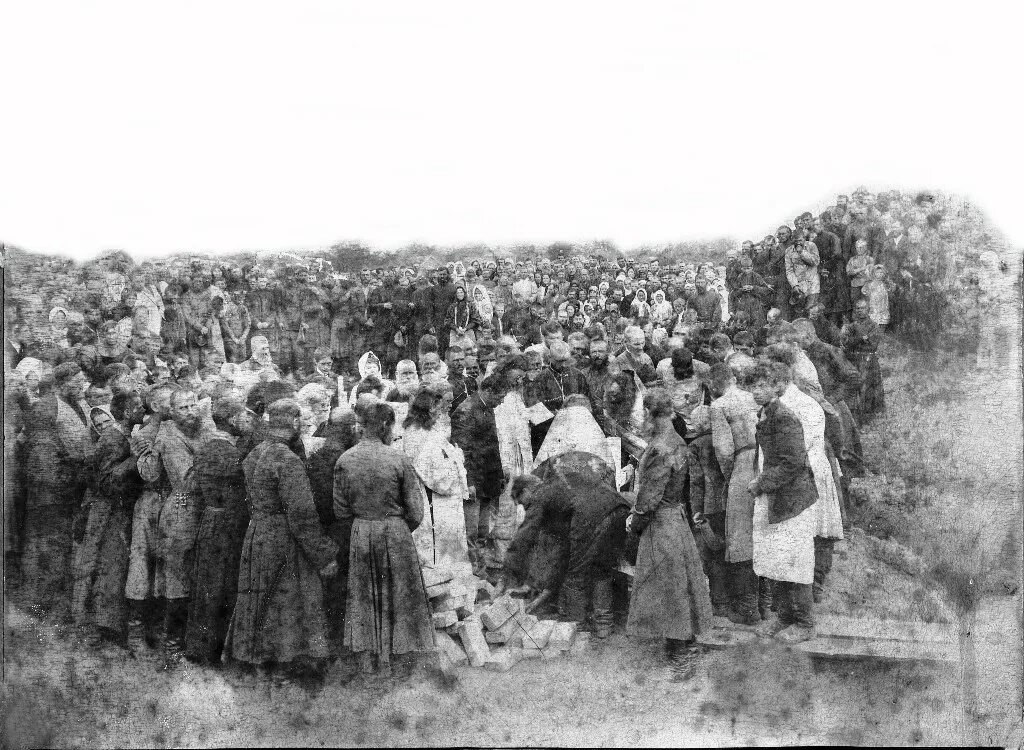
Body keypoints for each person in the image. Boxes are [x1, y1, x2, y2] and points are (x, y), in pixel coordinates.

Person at [224, 399, 338, 687]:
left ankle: (259, 664)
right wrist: (324, 555)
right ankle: (282, 670)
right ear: (296, 422)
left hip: (258, 533)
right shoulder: (288, 461)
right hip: (283, 538)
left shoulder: (254, 454)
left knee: (259, 597)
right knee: (284, 602)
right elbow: (302, 515)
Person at [335, 401, 435, 677]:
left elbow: (340, 509)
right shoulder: (398, 459)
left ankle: (368, 662)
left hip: (361, 532)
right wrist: (397, 527)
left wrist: (362, 523)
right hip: (395, 532)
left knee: (364, 596)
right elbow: (415, 510)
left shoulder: (345, 460)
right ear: (385, 426)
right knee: (400, 594)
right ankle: (398, 660)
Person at [625, 388, 713, 680]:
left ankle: (680, 659)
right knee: (681, 584)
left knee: (668, 588)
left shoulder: (659, 449)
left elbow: (649, 498)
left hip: (660, 524)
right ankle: (684, 647)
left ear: (651, 414)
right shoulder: (676, 441)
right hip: (676, 519)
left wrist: (634, 523)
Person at [504, 468, 630, 638]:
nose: (523, 506)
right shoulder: (557, 487)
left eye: (520, 501)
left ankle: (573, 628)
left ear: (526, 491)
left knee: (575, 573)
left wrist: (507, 575)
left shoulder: (541, 496)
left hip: (593, 517)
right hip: (620, 509)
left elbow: (524, 537)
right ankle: (603, 625)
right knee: (601, 568)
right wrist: (540, 590)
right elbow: (561, 552)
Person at [744, 360, 818, 643]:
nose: (757, 391)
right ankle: (785, 615)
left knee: (795, 559)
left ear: (776, 386)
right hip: (776, 498)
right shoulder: (766, 413)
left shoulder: (784, 416)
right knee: (775, 557)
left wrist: (761, 482)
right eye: (753, 385)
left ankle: (806, 623)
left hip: (793, 501)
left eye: (763, 385)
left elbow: (793, 462)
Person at [136, 387, 211, 665]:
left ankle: (191, 640)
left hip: (199, 510)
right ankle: (172, 643)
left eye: (193, 405)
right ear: (173, 412)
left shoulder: (199, 429)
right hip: (182, 511)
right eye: (183, 408)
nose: (190, 412)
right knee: (178, 581)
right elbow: (189, 481)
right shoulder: (170, 437)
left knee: (194, 578)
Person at [183, 398, 253, 665]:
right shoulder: (230, 454)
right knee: (223, 585)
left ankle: (202, 648)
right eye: (243, 417)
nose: (247, 421)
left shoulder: (206, 448)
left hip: (210, 521)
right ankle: (219, 649)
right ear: (233, 420)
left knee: (208, 584)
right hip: (229, 525)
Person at [77, 393, 146, 650]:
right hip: (109, 512)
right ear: (127, 412)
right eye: (138, 405)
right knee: (111, 566)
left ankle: (108, 624)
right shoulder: (114, 440)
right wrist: (133, 462)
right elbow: (104, 481)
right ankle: (104, 626)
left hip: (117, 510)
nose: (142, 409)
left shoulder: (122, 435)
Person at [708, 362, 761, 624]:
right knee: (762, 530)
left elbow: (723, 449)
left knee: (739, 536)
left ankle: (748, 608)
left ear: (714, 384)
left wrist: (731, 477)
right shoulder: (752, 397)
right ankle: (766, 602)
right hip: (764, 459)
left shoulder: (718, 406)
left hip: (743, 460)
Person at [402, 389, 473, 577]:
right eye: (439, 409)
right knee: (439, 555)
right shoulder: (420, 434)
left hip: (440, 499)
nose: (441, 414)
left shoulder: (424, 430)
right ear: (430, 409)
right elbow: (437, 478)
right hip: (434, 500)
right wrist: (457, 460)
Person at [451, 374, 506, 575]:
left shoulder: (487, 407)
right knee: (471, 532)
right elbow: (463, 452)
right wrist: (469, 482)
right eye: (500, 397)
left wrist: (499, 475)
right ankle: (474, 573)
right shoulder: (465, 411)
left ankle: (481, 570)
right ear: (488, 391)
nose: (501, 402)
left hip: (488, 480)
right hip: (474, 482)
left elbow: (493, 446)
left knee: (483, 530)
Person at [842, 299, 885, 421]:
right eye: (858, 308)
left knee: (868, 386)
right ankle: (856, 416)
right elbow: (846, 343)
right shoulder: (852, 326)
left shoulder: (874, 326)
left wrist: (856, 341)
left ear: (868, 310)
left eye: (863, 308)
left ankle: (869, 414)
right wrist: (862, 338)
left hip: (868, 360)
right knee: (855, 385)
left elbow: (872, 345)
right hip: (854, 359)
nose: (860, 311)